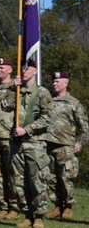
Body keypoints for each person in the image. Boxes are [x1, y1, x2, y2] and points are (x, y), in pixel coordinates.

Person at [11, 58, 53, 228]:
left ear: (35, 71)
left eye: (27, 69)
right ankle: (27, 215)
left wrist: (27, 129)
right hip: (16, 144)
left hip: (34, 143)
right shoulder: (17, 91)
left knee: (37, 181)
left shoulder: (42, 92)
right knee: (19, 182)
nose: (23, 72)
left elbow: (48, 117)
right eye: (22, 69)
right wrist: (12, 90)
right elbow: (5, 107)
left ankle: (39, 217)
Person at [44, 71, 88, 220]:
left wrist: (79, 143)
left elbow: (84, 128)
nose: (54, 84)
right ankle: (57, 207)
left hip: (66, 146)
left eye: (58, 82)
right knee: (51, 178)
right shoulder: (49, 101)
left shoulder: (74, 103)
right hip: (48, 145)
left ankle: (68, 208)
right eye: (53, 82)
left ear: (66, 83)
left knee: (66, 178)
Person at [0, 57, 20, 220]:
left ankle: (14, 208)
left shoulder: (16, 88)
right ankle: (2, 206)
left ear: (10, 69)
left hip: (9, 137)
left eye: (2, 67)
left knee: (12, 174)